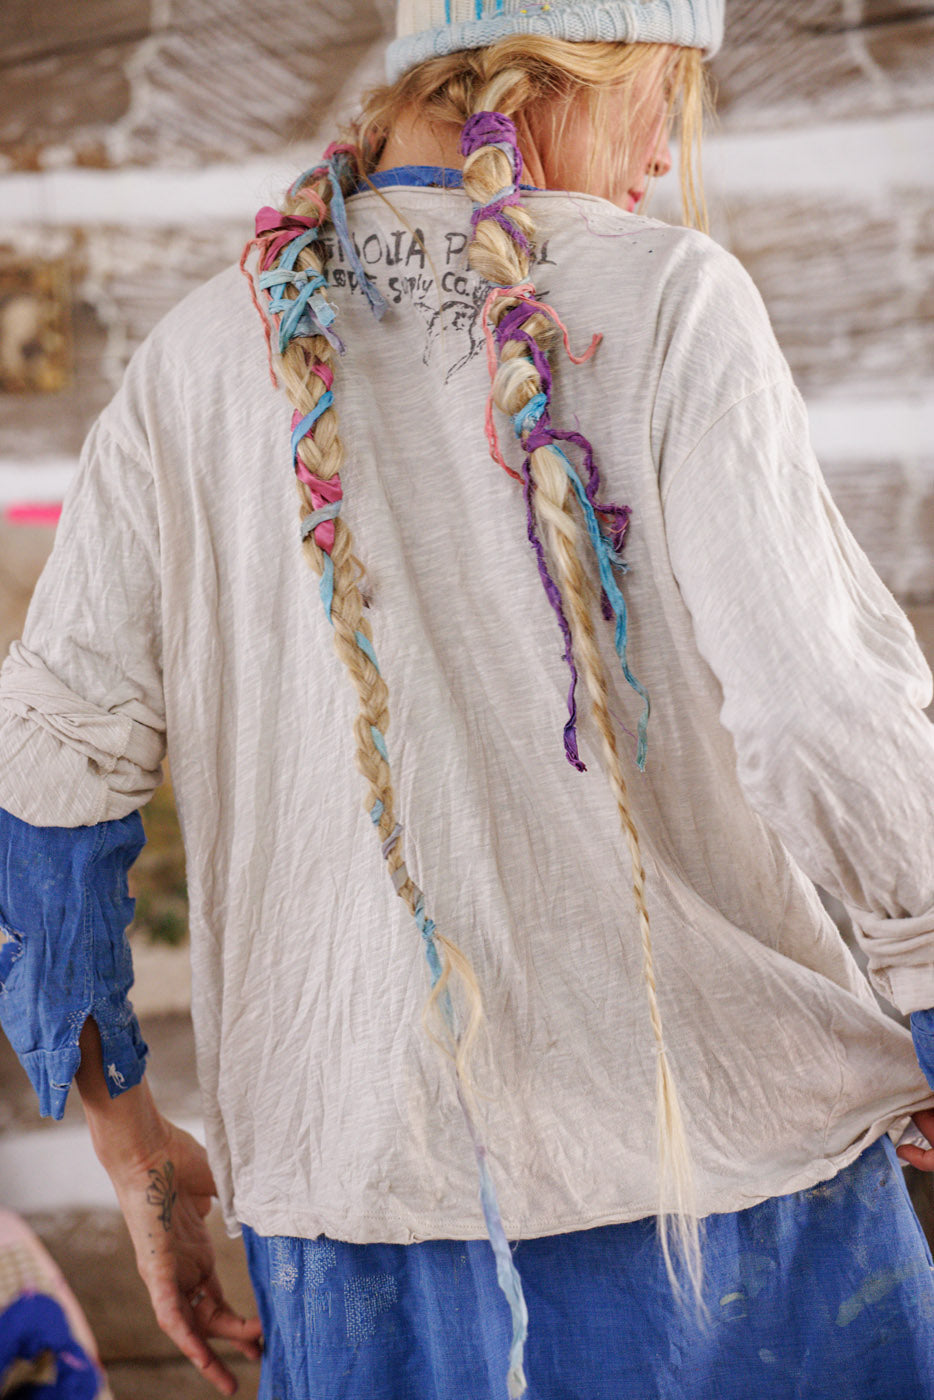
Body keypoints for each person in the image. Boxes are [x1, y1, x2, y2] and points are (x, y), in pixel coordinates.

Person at [2, 1, 934, 1395]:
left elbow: (45, 778)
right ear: (581, 68)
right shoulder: (673, 297)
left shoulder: (194, 357)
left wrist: (135, 1151)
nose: (656, 159)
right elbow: (821, 715)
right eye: (667, 98)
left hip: (351, 1235)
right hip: (726, 1213)